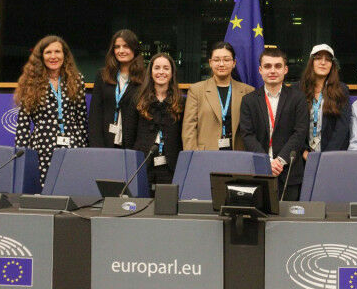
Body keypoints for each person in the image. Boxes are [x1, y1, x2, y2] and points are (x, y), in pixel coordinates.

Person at [14, 35, 88, 186]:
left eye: (57, 52)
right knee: (43, 191)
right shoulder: (30, 82)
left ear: (64, 55)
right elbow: (23, 125)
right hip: (42, 149)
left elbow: (81, 118)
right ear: (41, 57)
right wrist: (22, 157)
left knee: (71, 188)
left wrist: (85, 150)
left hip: (73, 147)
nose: (53, 56)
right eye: (48, 52)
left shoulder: (76, 79)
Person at [239, 48, 308, 200]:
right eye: (267, 66)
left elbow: (300, 132)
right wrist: (267, 162)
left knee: (289, 215)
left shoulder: (298, 98)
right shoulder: (248, 100)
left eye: (277, 66)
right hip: (258, 170)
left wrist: (280, 161)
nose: (272, 71)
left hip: (289, 173)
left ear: (285, 70)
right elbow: (247, 135)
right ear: (260, 70)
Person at [123, 53, 184, 188]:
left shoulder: (181, 101)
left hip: (171, 165)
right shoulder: (137, 98)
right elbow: (129, 134)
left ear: (172, 73)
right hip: (143, 162)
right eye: (157, 68)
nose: (161, 72)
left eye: (166, 68)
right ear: (150, 72)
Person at [182, 41, 254, 151]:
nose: (221, 64)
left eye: (226, 60)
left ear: (234, 63)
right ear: (210, 63)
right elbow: (189, 129)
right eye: (216, 60)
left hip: (237, 155)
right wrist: (193, 156)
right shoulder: (196, 90)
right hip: (206, 155)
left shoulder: (247, 91)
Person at [89, 29, 144, 148]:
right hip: (105, 144)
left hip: (132, 146)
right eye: (117, 47)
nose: (121, 51)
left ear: (135, 49)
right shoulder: (102, 76)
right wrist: (97, 147)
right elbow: (95, 115)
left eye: (126, 46)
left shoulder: (144, 78)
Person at [299, 44, 351, 160]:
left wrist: (326, 156)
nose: (323, 63)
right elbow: (293, 125)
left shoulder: (341, 90)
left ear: (332, 65)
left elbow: (342, 127)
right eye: (318, 58)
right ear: (311, 62)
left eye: (328, 60)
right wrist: (303, 151)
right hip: (303, 156)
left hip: (332, 156)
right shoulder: (298, 89)